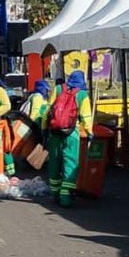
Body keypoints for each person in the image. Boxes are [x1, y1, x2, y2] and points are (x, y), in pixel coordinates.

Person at [46, 70, 93, 207]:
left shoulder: (58, 89)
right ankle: (65, 198)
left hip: (55, 133)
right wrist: (89, 132)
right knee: (70, 164)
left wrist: (44, 127)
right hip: (72, 134)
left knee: (54, 163)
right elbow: (86, 117)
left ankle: (55, 193)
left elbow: (48, 110)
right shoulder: (82, 94)